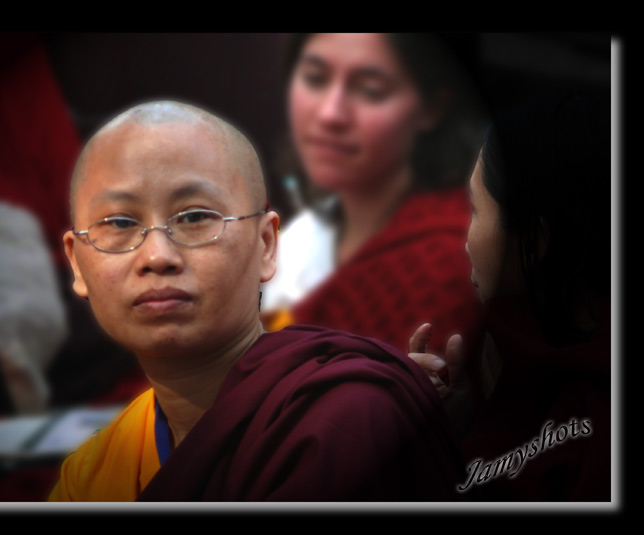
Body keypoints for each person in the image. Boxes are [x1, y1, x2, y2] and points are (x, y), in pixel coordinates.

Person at [48, 100, 470, 502]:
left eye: (195, 217)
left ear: (266, 245)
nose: (157, 256)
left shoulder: (347, 421)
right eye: (119, 222)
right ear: (77, 264)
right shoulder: (89, 476)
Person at [407, 92, 611, 501]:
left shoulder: (591, 438)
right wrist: (464, 423)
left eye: (476, 212)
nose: (463, 242)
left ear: (534, 242)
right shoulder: (511, 363)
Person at [261, 33, 487, 360]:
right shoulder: (294, 239)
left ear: (432, 107)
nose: (329, 114)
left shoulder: (456, 263)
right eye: (314, 78)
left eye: (370, 90)